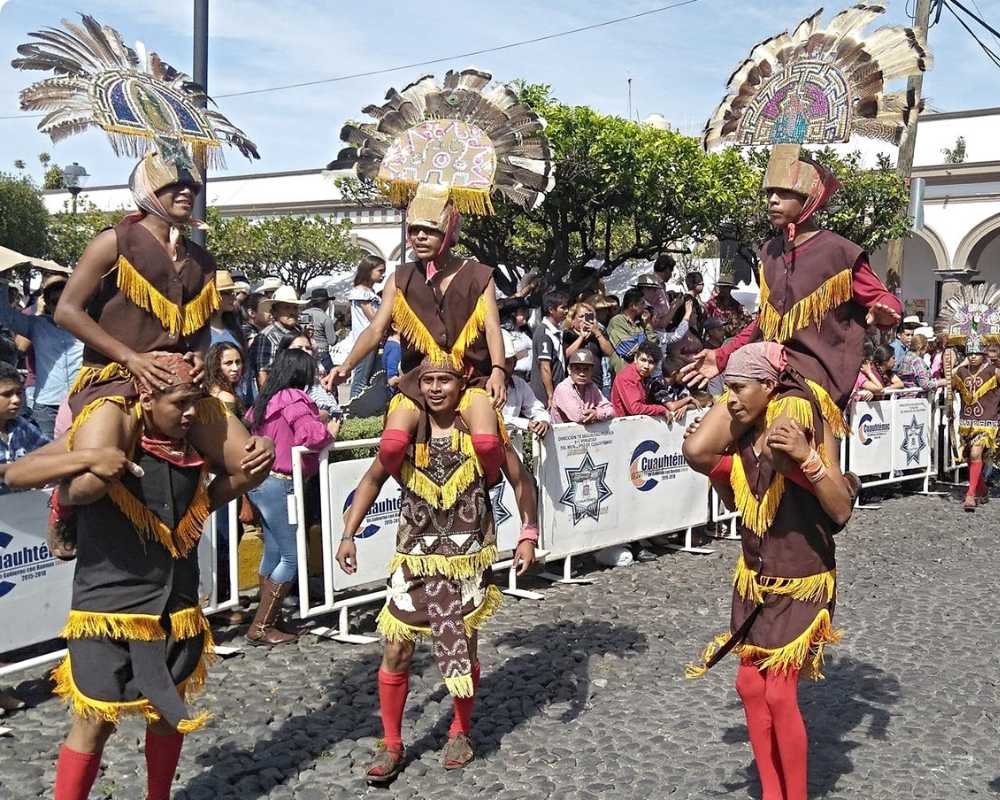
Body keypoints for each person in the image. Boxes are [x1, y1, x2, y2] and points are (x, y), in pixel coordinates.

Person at [6, 354, 261, 800]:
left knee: (168, 712)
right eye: (180, 404)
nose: (189, 414)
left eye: (195, 403)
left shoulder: (193, 443)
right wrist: (88, 456)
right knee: (94, 723)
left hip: (175, 606)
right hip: (108, 608)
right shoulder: (108, 427)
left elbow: (216, 491)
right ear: (146, 395)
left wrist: (242, 474)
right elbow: (15, 471)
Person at [681, 146, 901, 536]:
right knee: (696, 449)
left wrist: (886, 310)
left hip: (813, 377)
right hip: (764, 369)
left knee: (777, 450)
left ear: (810, 198)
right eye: (769, 193)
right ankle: (748, 495)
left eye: (782, 193)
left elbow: (881, 296)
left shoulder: (841, 251)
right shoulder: (768, 251)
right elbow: (763, 323)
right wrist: (721, 354)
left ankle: (838, 491)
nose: (772, 200)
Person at [335, 358, 537, 781]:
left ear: (461, 383)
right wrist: (348, 534)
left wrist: (528, 533)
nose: (435, 388)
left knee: (464, 649)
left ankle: (460, 730)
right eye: (427, 380)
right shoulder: (407, 431)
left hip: (467, 559)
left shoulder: (480, 429)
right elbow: (372, 479)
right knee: (396, 649)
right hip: (413, 558)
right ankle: (391, 743)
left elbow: (521, 479)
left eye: (444, 379)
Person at [684, 342, 858, 800]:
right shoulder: (742, 440)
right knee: (747, 684)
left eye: (739, 389)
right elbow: (703, 456)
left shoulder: (806, 423)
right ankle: (772, 793)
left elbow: (840, 511)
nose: (731, 399)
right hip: (755, 579)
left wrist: (807, 457)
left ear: (768, 385)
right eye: (726, 390)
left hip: (804, 581)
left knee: (780, 694)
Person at [245, 350, 339, 644]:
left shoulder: (265, 399)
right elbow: (312, 436)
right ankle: (261, 626)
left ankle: (272, 618)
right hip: (282, 482)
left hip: (262, 480)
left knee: (272, 552)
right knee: (291, 556)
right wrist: (329, 430)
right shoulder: (292, 398)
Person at [0, 274, 82, 439]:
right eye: (54, 302)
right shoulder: (37, 325)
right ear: (48, 304)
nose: (60, 306)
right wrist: (3, 282)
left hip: (80, 400)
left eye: (64, 300)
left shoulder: (89, 326)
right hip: (47, 406)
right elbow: (6, 316)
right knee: (46, 454)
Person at [952, 338, 999, 511]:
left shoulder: (994, 371)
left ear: (984, 354)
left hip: (987, 421)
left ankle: (970, 495)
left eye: (976, 353)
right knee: (969, 457)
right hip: (967, 422)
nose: (972, 357)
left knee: (975, 453)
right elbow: (950, 383)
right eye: (969, 353)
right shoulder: (962, 372)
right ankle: (982, 490)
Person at [0, 363, 48, 492]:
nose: (16, 400)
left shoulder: (21, 426)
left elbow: (48, 451)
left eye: (19, 393)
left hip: (22, 504)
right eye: (7, 394)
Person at [249, 285, 306, 389]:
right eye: (286, 307)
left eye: (295, 307)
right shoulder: (266, 336)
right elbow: (263, 372)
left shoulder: (299, 332)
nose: (292, 312)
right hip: (279, 395)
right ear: (274, 312)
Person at [345, 255, 386, 399]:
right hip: (365, 339)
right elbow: (373, 317)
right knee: (361, 378)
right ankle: (353, 408)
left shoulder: (370, 292)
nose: (382, 275)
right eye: (380, 271)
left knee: (371, 377)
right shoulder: (360, 292)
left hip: (373, 339)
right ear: (369, 270)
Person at [612, 341, 684, 420]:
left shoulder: (645, 376)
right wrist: (661, 409)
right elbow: (635, 409)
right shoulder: (627, 377)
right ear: (635, 359)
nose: (646, 366)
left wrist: (684, 406)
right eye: (643, 360)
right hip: (625, 426)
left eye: (651, 362)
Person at [278, 333, 343, 420]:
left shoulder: (316, 380)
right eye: (299, 348)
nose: (305, 351)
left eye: (308, 348)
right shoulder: (284, 384)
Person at [500, 331, 550, 437]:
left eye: (508, 362)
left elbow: (535, 407)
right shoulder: (482, 385)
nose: (503, 366)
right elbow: (494, 418)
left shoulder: (519, 384)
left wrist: (543, 421)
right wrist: (525, 423)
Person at [550, 351, 615, 425]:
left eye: (586, 369)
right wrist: (598, 413)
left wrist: (597, 413)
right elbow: (578, 417)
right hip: (562, 434)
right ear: (569, 369)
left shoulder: (592, 386)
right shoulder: (563, 388)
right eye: (577, 369)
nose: (582, 374)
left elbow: (612, 410)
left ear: (591, 371)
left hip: (586, 433)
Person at [562, 301, 614, 391]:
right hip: (575, 386)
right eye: (581, 316)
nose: (584, 320)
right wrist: (582, 336)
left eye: (588, 316)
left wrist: (597, 333)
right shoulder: (568, 335)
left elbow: (610, 352)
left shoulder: (598, 334)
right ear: (573, 320)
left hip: (596, 384)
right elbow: (566, 355)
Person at [530, 290, 569, 405]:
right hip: (545, 396)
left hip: (559, 390)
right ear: (551, 310)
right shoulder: (544, 333)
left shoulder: (556, 331)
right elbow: (545, 367)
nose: (566, 311)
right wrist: (550, 396)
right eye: (563, 308)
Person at [606, 288, 656, 374]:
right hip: (625, 374)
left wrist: (647, 325)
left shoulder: (640, 323)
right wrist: (647, 346)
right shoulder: (617, 321)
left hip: (641, 374)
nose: (645, 307)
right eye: (642, 303)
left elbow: (655, 344)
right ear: (633, 305)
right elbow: (628, 350)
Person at [705, 267, 752, 338]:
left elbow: (743, 321)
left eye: (725, 287)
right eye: (721, 287)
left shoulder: (736, 305)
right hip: (715, 339)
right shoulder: (712, 303)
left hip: (732, 338)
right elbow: (707, 322)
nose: (722, 290)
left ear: (730, 289)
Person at [204, 342, 246, 417]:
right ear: (216, 366)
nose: (235, 368)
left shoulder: (212, 389)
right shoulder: (225, 397)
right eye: (228, 363)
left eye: (238, 362)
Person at [301, 286, 338, 370]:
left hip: (304, 351)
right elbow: (332, 341)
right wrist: (337, 336)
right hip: (321, 353)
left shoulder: (303, 314)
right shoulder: (325, 318)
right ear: (325, 303)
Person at [501, 302, 533, 381]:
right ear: (513, 314)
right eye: (522, 312)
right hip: (516, 374)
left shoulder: (526, 333)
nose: (526, 314)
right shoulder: (504, 333)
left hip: (530, 375)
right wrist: (520, 354)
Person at [383, 324, 402, 397]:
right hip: (394, 395)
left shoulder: (391, 345)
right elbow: (391, 380)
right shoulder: (395, 348)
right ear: (395, 327)